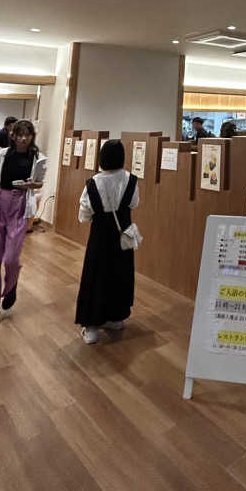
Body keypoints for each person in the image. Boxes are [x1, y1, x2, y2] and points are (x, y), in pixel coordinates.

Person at [0, 119, 46, 331]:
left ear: (32, 136)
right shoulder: (1, 154)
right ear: (13, 135)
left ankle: (12, 284)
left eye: (28, 134)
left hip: (21, 205)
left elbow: (39, 182)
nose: (23, 138)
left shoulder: (38, 158)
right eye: (19, 134)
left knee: (11, 257)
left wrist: (30, 185)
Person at [75, 139, 139, 344]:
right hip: (123, 238)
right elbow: (134, 203)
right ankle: (116, 318)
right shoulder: (131, 180)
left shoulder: (93, 182)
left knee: (96, 276)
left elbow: (84, 214)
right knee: (121, 274)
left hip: (100, 238)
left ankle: (92, 327)